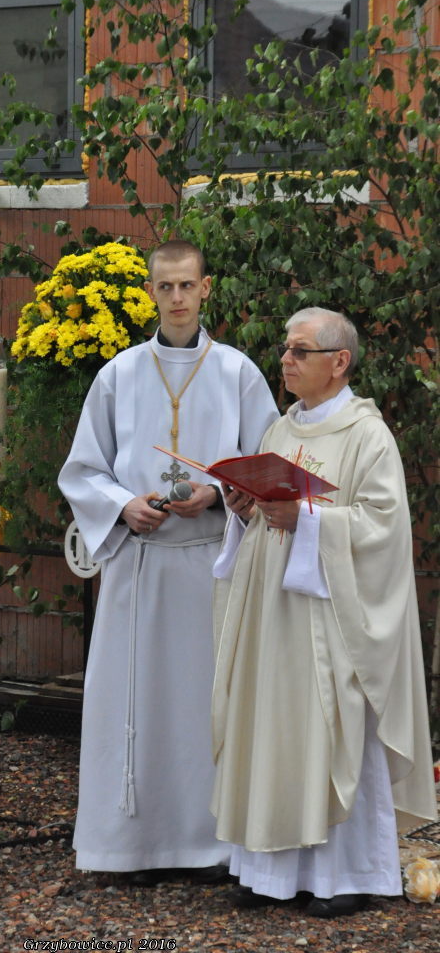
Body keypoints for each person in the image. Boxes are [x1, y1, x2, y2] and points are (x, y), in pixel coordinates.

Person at [58, 239, 278, 884]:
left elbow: (268, 468)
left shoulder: (238, 372)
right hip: (141, 564)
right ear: (151, 292)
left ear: (206, 289)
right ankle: (132, 846)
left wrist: (218, 494)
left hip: (214, 563)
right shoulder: (120, 374)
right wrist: (124, 505)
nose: (177, 297)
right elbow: (82, 469)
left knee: (208, 704)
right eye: (166, 287)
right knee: (135, 705)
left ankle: (213, 845)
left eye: (187, 285)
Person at [211, 307, 437, 917]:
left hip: (332, 621)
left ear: (339, 362)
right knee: (272, 730)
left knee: (332, 735)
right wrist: (244, 508)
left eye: (300, 350)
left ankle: (347, 876)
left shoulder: (368, 435)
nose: (285, 360)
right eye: (286, 349)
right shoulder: (279, 430)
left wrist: (307, 520)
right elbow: (268, 514)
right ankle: (267, 873)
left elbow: (383, 529)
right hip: (274, 613)